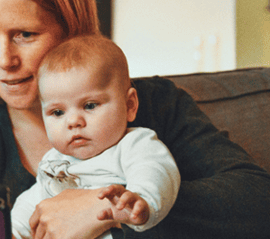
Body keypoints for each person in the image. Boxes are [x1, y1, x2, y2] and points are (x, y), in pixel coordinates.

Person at [0, 0, 270, 238]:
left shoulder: (157, 106)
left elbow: (257, 201)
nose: (5, 60)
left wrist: (104, 211)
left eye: (25, 34)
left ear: (70, 29)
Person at [10, 35, 180, 239]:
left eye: (89, 105)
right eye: (57, 112)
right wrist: (12, 231)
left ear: (130, 105)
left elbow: (155, 172)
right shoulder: (53, 161)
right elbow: (33, 202)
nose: (73, 122)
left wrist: (141, 202)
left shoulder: (134, 145)